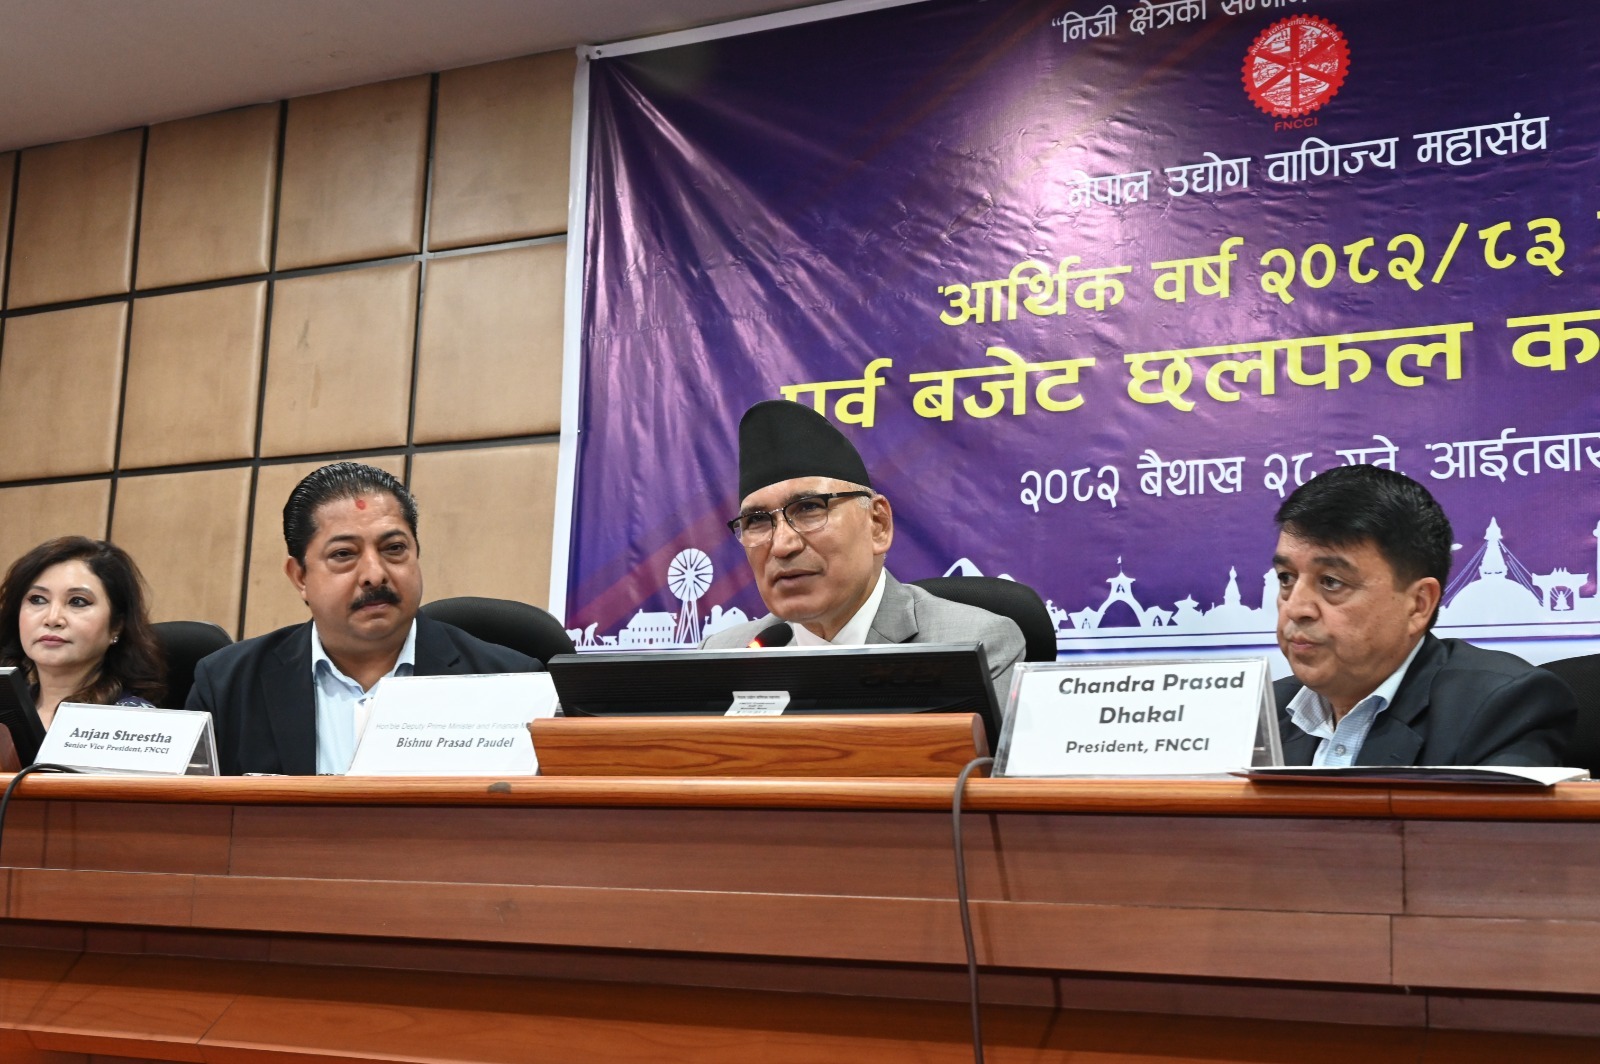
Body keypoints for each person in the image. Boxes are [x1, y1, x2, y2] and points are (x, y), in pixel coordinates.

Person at [186, 462, 541, 775]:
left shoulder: (511, 682)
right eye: (344, 554)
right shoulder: (227, 685)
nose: (374, 574)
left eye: (394, 549)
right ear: (300, 577)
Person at [702, 399, 1025, 707]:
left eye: (810, 508)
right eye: (757, 521)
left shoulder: (971, 646)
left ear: (878, 524)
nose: (783, 545)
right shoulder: (724, 656)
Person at [1271, 464, 1575, 767]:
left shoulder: (1498, 709)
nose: (1295, 608)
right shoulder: (1265, 710)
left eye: (1331, 582)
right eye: (1286, 577)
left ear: (1418, 604)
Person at [0, 536, 166, 727]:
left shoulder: (134, 723)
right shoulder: (8, 712)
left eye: (77, 601)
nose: (52, 618)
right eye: (37, 599)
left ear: (117, 625)